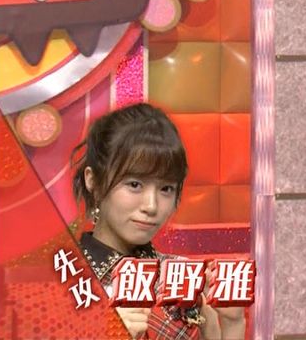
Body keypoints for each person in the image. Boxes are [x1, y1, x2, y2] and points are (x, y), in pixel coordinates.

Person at [70, 103, 245, 340]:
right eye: (134, 184)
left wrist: (233, 325)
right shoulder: (63, 279)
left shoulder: (182, 278)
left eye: (166, 188)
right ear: (93, 180)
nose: (151, 206)